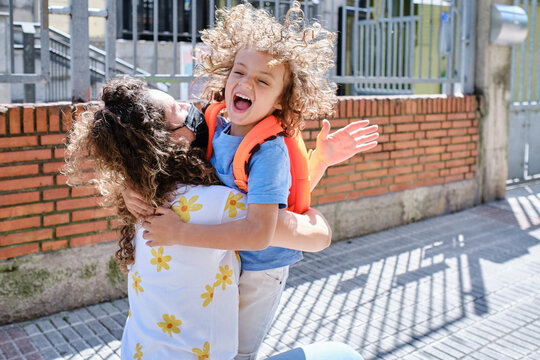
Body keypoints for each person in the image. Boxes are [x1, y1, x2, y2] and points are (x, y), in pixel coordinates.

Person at [129, 3, 379, 359]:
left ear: (282, 100)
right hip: (227, 256)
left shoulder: (268, 152)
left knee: (238, 350)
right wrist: (128, 190)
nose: (245, 83)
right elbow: (148, 149)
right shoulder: (215, 122)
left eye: (263, 81)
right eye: (239, 72)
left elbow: (260, 231)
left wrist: (180, 233)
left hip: (261, 267)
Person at [64, 77, 335, 359]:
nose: (187, 106)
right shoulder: (219, 204)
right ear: (166, 140)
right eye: (176, 109)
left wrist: (126, 185)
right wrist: (316, 194)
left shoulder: (139, 200)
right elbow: (301, 229)